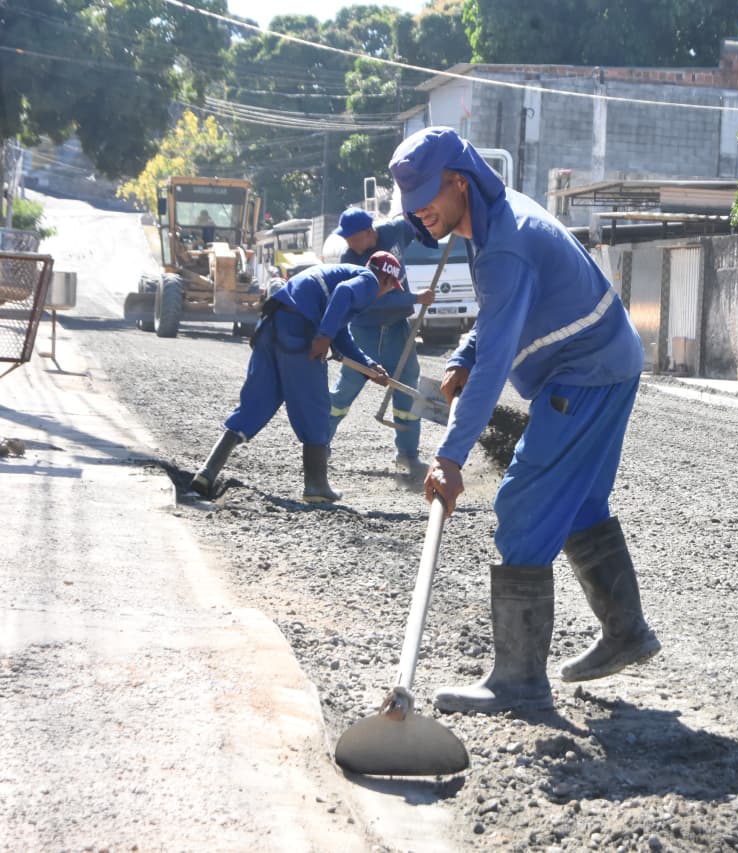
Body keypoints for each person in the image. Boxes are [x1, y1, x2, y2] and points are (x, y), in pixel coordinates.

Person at [388, 126, 660, 715]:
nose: (420, 215)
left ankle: (519, 681)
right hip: (606, 362)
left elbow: (495, 366)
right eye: (411, 206)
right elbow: (494, 323)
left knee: (524, 504)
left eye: (427, 200)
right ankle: (627, 631)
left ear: (458, 182)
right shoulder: (487, 218)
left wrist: (451, 457)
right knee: (579, 504)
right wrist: (461, 355)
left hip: (586, 372)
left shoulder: (503, 244)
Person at [190, 253, 433, 503]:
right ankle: (316, 486)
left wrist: (369, 366)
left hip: (273, 325)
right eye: (391, 287)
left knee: (257, 401)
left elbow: (342, 337)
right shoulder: (369, 280)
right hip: (300, 331)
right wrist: (323, 336)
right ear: (385, 279)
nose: (386, 292)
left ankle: (208, 472)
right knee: (316, 407)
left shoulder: (342, 274)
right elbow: (343, 295)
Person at [329, 207, 430, 476]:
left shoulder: (394, 230)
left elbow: (420, 224)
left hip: (399, 327)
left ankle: (408, 455)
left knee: (408, 387)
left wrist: (432, 230)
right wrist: (416, 298)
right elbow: (376, 297)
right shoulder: (351, 260)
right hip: (365, 332)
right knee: (345, 390)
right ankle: (318, 444)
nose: (349, 242)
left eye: (352, 236)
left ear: (368, 232)